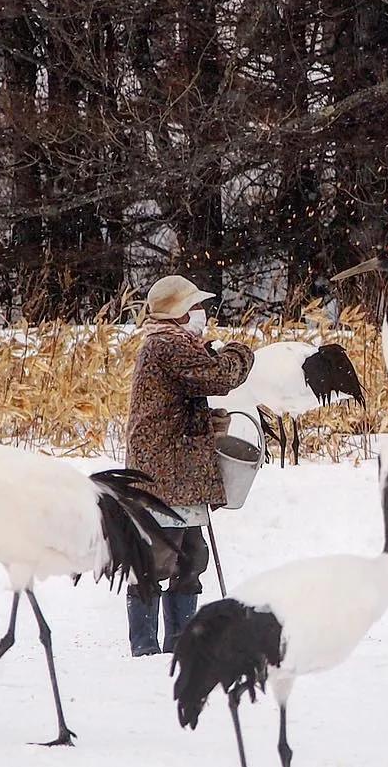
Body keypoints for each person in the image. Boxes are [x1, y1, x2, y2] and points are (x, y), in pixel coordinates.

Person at [124, 275, 253, 656]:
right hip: (164, 475)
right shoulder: (165, 346)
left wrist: (207, 423)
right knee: (159, 560)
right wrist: (240, 351)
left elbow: (174, 403)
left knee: (192, 558)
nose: (202, 314)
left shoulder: (177, 346)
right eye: (195, 308)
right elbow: (221, 376)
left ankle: (180, 645)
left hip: (181, 473)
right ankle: (145, 649)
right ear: (179, 314)